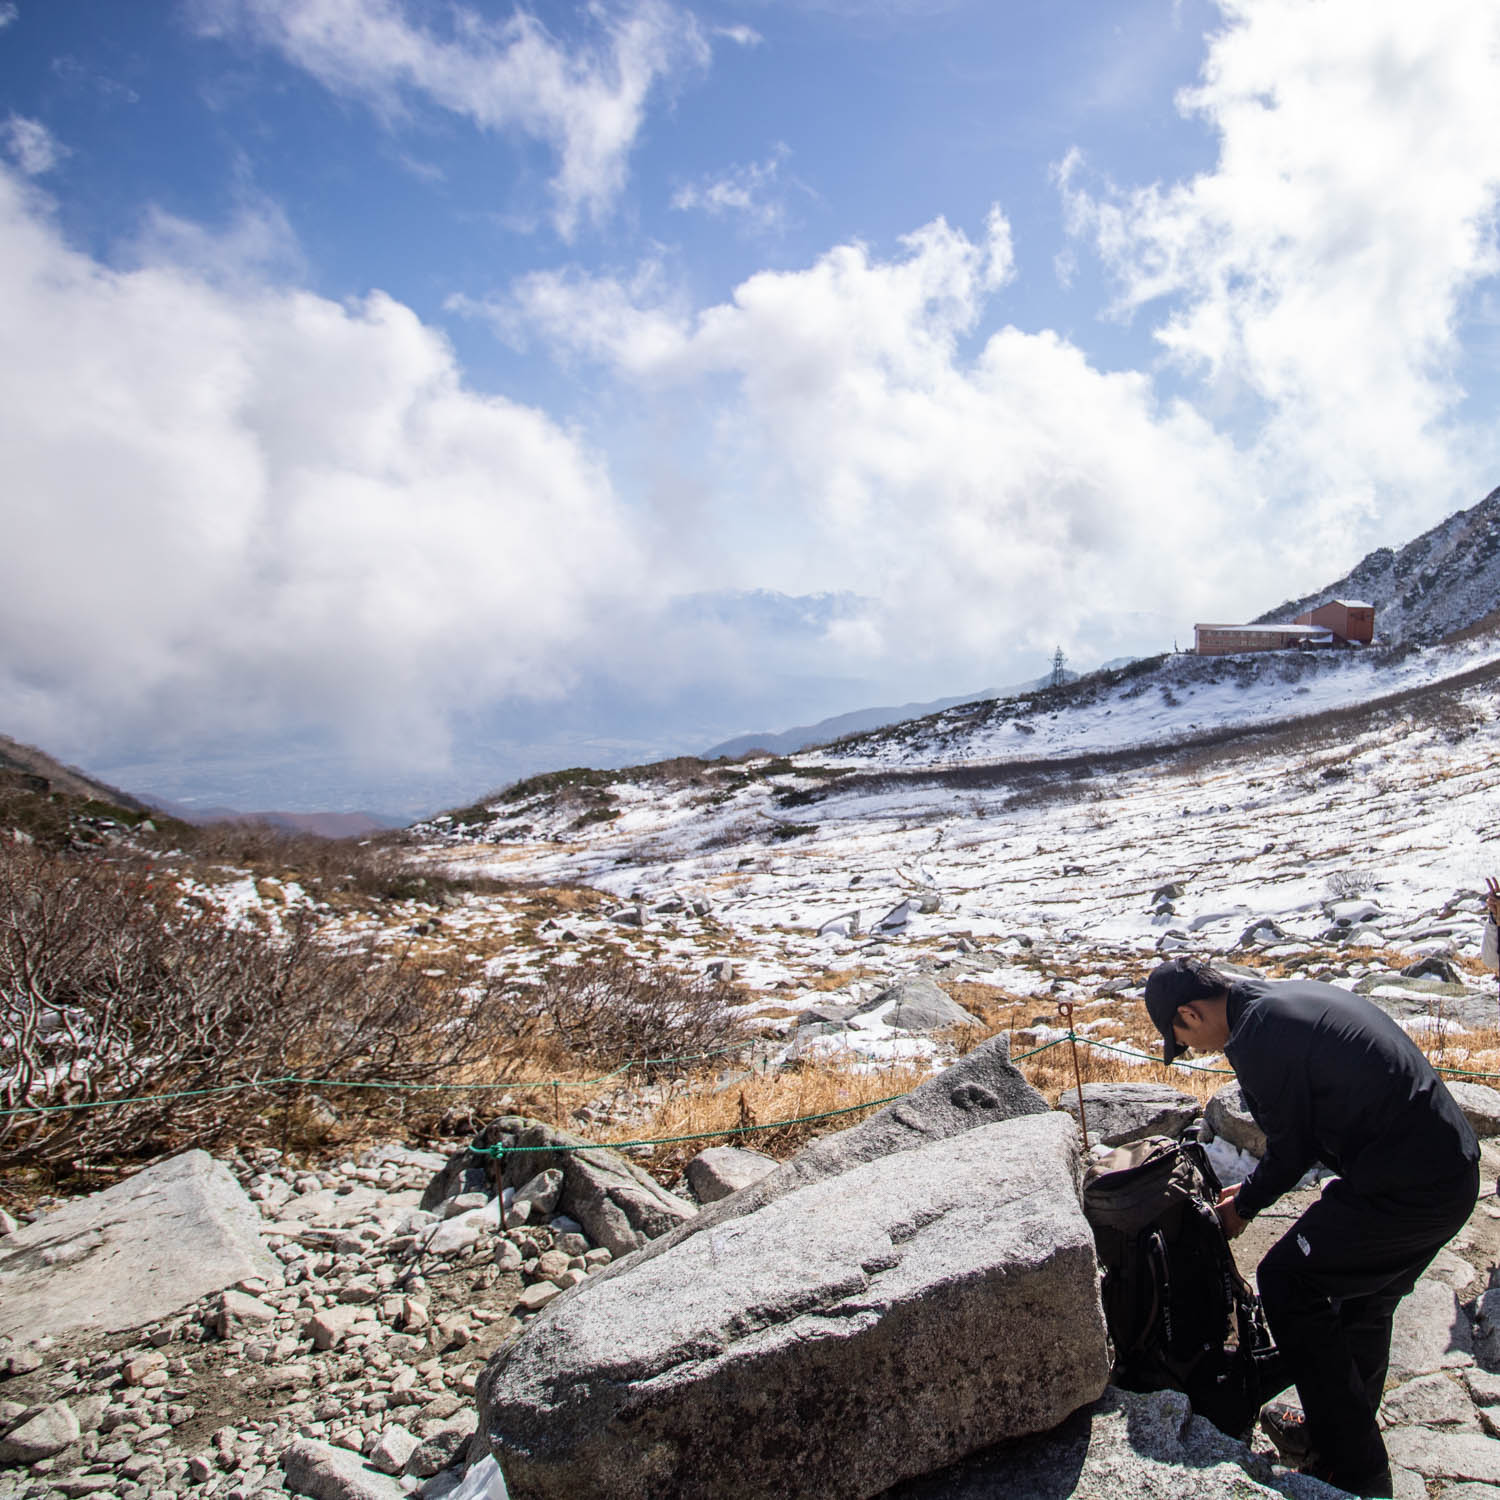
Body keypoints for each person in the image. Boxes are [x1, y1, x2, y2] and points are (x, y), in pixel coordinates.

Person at [1145, 957, 1479, 1498]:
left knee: (1285, 1279)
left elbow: (1291, 1149)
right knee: (1364, 1302)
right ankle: (1341, 1439)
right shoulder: (1267, 1001)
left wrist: (1243, 1207)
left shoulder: (1257, 1037)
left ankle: (1355, 1469)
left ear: (1188, 1012)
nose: (1190, 1051)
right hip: (1445, 1172)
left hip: (1408, 1189)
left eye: (1181, 1039)